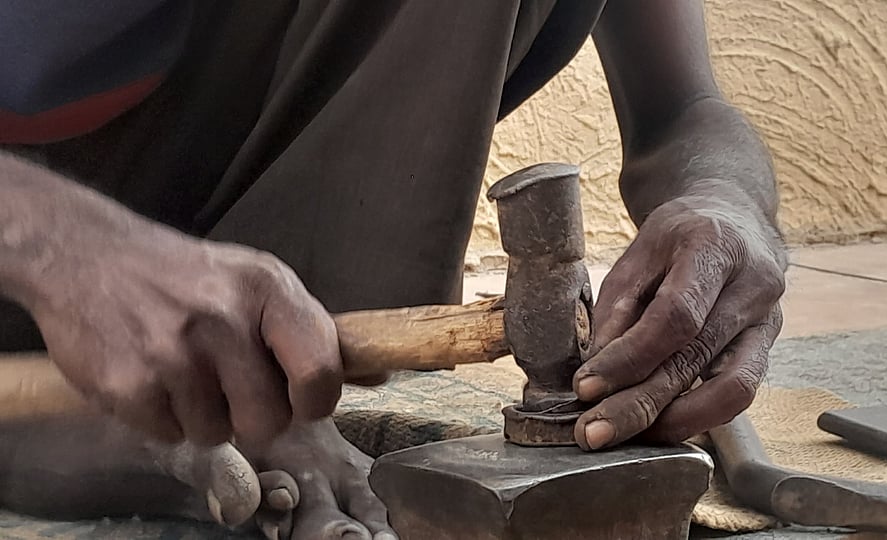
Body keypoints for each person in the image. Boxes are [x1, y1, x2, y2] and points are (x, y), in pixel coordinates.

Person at [0, 1, 786, 538]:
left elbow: (681, 110)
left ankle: (249, 388)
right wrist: (53, 242)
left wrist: (729, 202)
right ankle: (50, 407)